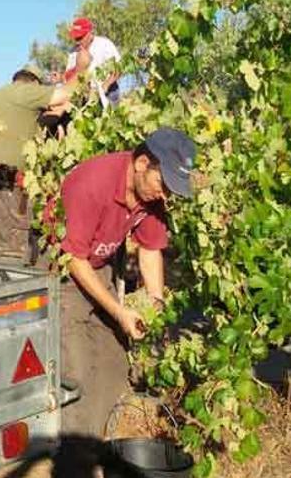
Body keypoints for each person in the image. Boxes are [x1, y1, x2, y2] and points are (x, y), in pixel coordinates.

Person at [51, 128, 196, 443]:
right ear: (143, 163)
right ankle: (77, 461)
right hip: (60, 272)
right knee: (76, 370)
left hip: (96, 267)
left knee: (114, 361)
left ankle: (100, 442)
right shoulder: (92, 183)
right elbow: (73, 259)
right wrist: (119, 311)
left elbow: (150, 248)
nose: (165, 196)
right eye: (163, 184)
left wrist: (156, 303)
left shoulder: (151, 195)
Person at [0, 65, 74, 265]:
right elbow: (64, 94)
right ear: (34, 83)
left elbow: (47, 117)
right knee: (13, 241)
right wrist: (82, 69)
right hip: (3, 176)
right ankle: (13, 288)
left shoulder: (2, 98)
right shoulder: (24, 90)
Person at [61, 17, 122, 107]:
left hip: (109, 92)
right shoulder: (73, 52)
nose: (78, 42)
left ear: (89, 33)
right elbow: (70, 74)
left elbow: (119, 68)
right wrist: (61, 77)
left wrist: (106, 85)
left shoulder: (104, 44)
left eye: (80, 38)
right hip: (88, 95)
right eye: (75, 38)